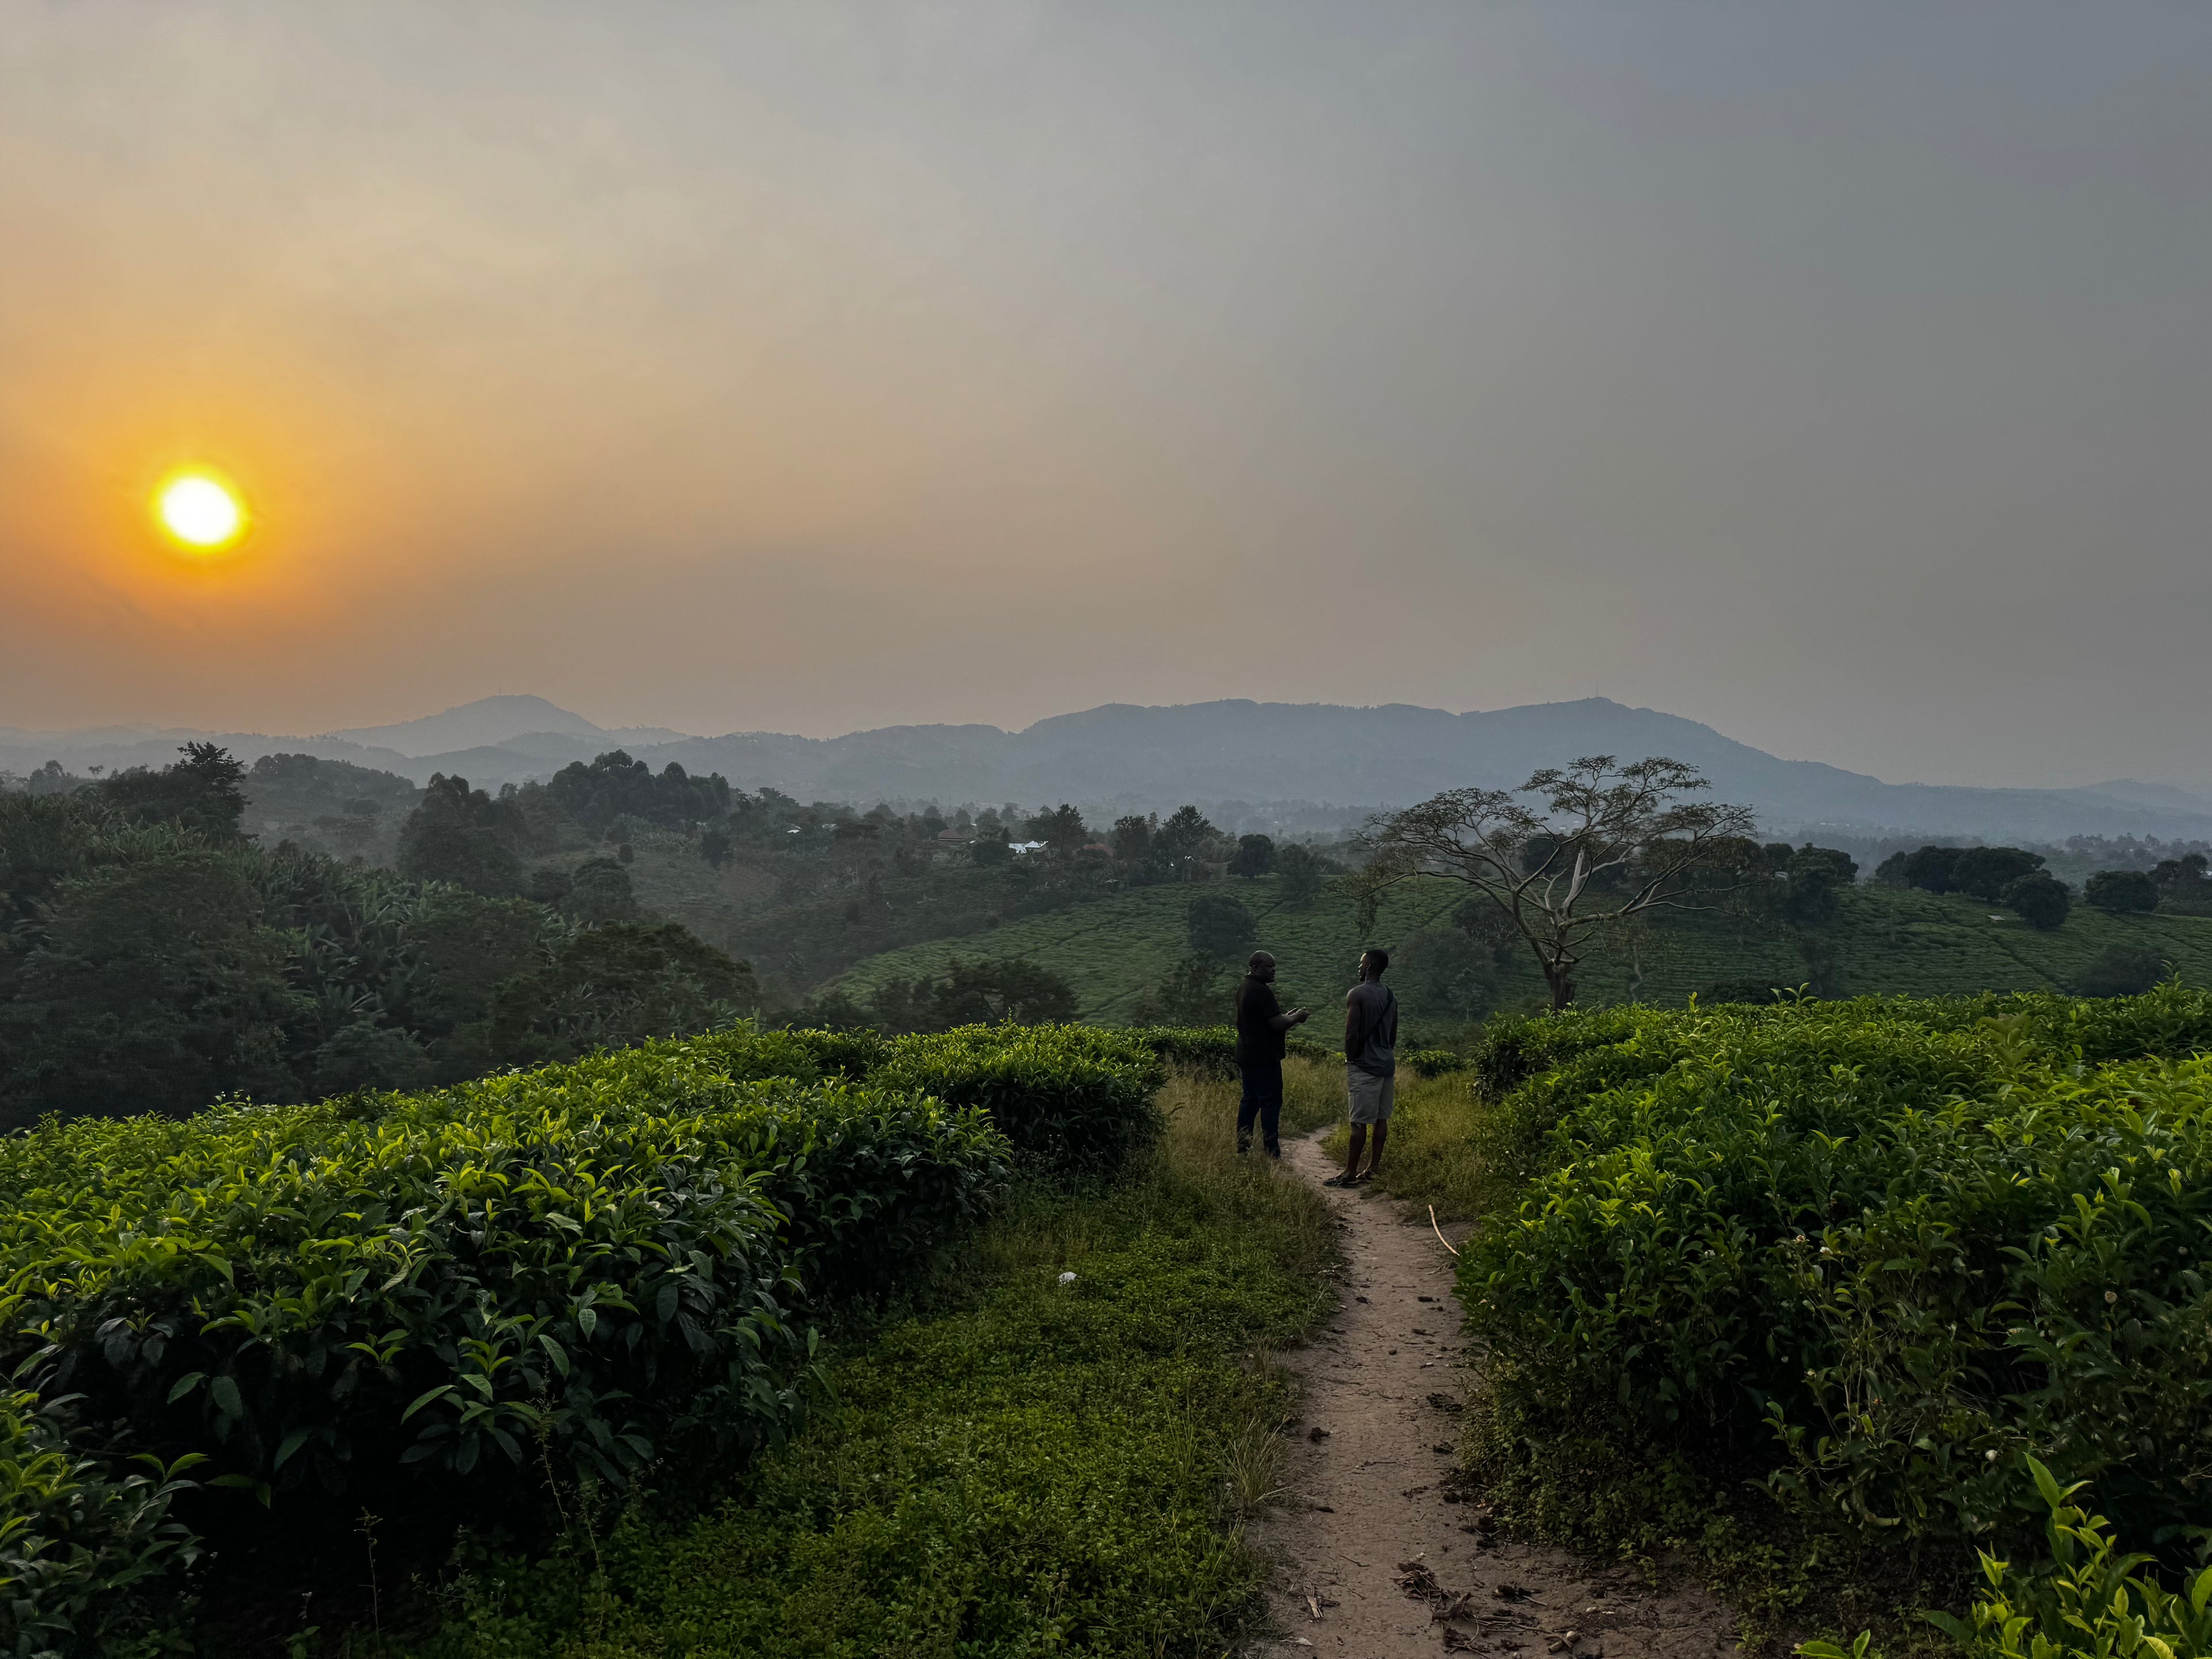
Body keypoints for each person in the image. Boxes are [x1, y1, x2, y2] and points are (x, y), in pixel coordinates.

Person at [1325, 948, 1397, 1187]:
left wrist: (1352, 1058)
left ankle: (1349, 1173)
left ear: (1368, 967)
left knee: (1358, 1122)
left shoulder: (1357, 994)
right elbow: (1393, 1036)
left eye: (1361, 964)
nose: (1359, 968)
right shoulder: (1390, 996)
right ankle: (1373, 1168)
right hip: (1386, 1064)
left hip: (1364, 1066)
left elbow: (1351, 1034)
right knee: (1381, 1119)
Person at [1232, 950, 1308, 1156]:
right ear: (1255, 967)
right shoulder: (1261, 991)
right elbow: (1277, 1024)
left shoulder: (1245, 986)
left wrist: (1287, 1017)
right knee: (1271, 1102)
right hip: (1263, 1057)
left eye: (1274, 966)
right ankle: (1272, 1151)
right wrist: (1297, 1017)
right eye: (1268, 966)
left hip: (1247, 1053)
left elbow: (1266, 1020)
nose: (1273, 970)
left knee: (1250, 1100)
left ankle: (1243, 1147)